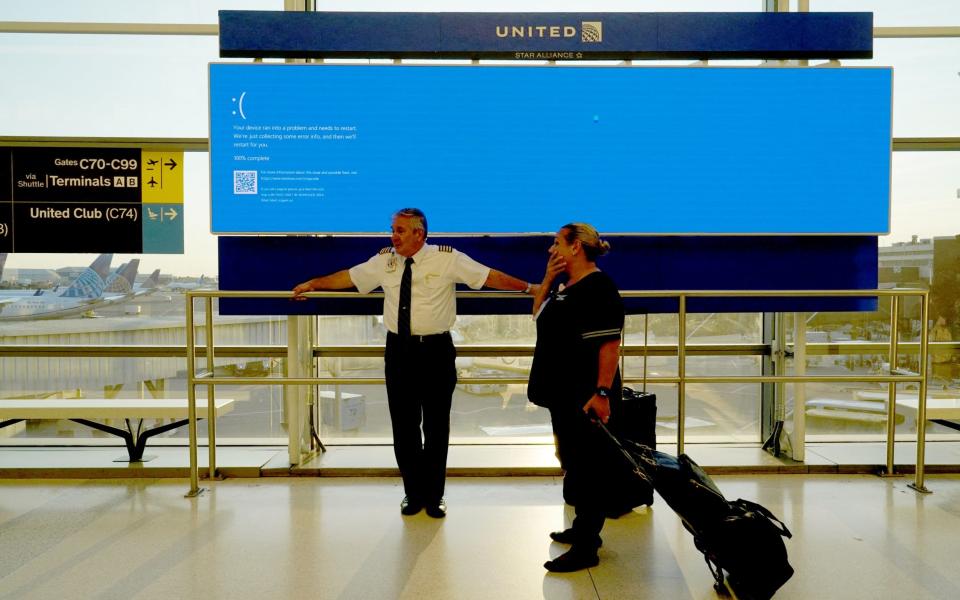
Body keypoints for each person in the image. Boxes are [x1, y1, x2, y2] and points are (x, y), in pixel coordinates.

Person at [292, 208, 536, 518]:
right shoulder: (385, 261)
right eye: (392, 229)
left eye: (400, 230)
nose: (393, 235)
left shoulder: (448, 258)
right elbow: (348, 277)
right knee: (404, 428)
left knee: (436, 427)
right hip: (399, 351)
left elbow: (488, 277)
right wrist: (312, 284)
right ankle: (413, 493)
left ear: (419, 234)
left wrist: (529, 288)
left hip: (436, 351)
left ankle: (434, 496)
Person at [527, 222, 624, 573]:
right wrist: (548, 280)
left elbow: (609, 345)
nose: (552, 249)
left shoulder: (599, 288)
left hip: (585, 395)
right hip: (562, 392)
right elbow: (536, 315)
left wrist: (601, 392)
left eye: (557, 243)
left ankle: (587, 546)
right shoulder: (567, 287)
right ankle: (583, 529)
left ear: (575, 248)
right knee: (572, 461)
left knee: (589, 467)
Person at [930, 315, 953, 388]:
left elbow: (950, 342)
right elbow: (931, 341)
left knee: (946, 380)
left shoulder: (947, 330)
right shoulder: (935, 330)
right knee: (939, 379)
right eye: (941, 318)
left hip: (946, 360)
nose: (943, 320)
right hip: (938, 361)